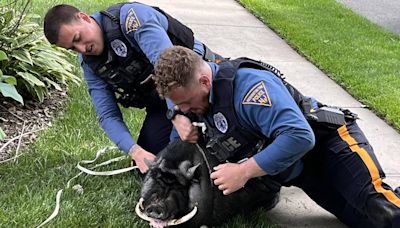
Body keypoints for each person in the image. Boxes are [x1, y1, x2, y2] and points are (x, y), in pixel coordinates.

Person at [152, 46, 400, 228]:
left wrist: (244, 171)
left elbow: (300, 136)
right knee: (364, 221)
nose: (184, 109)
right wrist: (176, 116)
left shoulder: (250, 88)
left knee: (384, 211)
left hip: (331, 144)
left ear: (205, 81)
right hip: (303, 170)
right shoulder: (200, 94)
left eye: (185, 103)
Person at [43, 3, 223, 173]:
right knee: (151, 161)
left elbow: (172, 73)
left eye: (78, 38)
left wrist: (177, 119)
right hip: (163, 104)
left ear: (84, 17)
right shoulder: (90, 65)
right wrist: (135, 151)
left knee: (205, 144)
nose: (82, 49)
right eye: (73, 48)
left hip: (199, 84)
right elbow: (107, 115)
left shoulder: (132, 19)